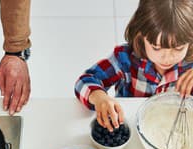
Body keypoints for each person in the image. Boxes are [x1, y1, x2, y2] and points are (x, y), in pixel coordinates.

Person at [74, 0, 193, 131]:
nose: (167, 57)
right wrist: (100, 98)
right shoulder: (125, 59)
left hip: (173, 129)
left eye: (178, 49)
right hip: (130, 125)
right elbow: (84, 81)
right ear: (141, 36)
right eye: (156, 48)